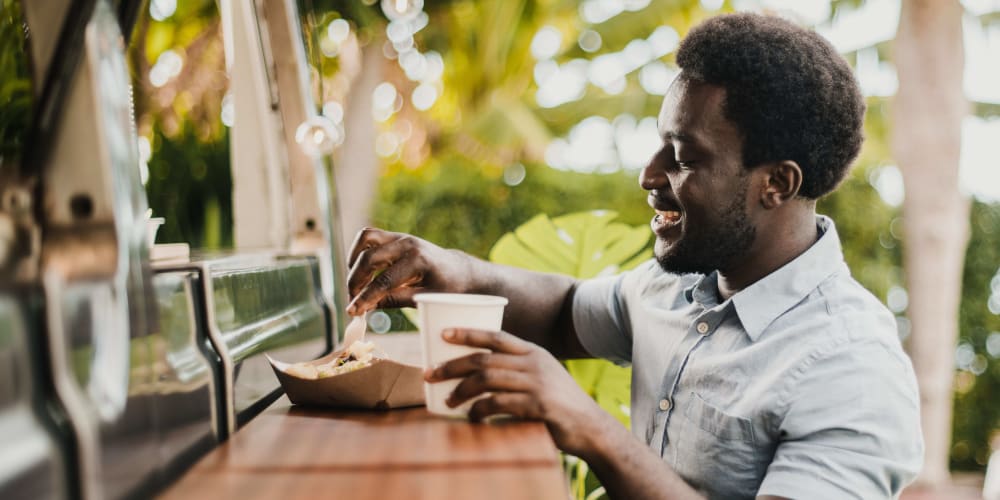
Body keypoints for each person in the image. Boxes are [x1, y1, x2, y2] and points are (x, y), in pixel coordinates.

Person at [345, 12, 923, 500]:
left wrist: (591, 429)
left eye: (684, 157)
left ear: (776, 183)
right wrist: (456, 270)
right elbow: (565, 310)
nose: (649, 175)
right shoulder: (683, 284)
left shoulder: (851, 369)